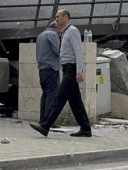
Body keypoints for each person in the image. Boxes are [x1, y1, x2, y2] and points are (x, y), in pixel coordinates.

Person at [30, 9, 92, 138]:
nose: (56, 19)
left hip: (71, 69)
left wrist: (79, 71)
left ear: (66, 17)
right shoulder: (65, 32)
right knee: (75, 101)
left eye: (58, 16)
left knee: (59, 98)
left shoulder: (72, 31)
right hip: (67, 68)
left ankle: (45, 126)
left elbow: (78, 52)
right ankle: (85, 128)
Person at [36, 21, 61, 127]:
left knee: (45, 94)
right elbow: (58, 51)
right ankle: (49, 121)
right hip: (51, 68)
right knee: (52, 94)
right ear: (57, 27)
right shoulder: (53, 35)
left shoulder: (41, 35)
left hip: (42, 69)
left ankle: (43, 119)